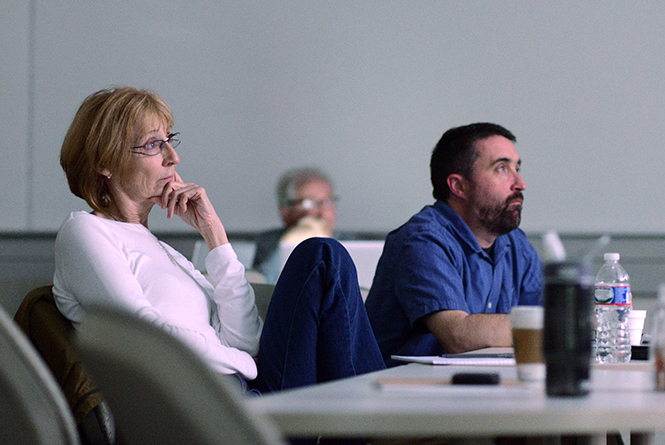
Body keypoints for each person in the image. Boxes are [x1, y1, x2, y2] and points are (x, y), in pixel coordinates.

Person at [53, 87, 384, 399]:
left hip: (244, 387)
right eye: (153, 145)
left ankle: (374, 414)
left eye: (170, 141)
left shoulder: (162, 249)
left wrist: (213, 233)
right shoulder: (85, 232)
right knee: (321, 255)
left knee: (322, 254)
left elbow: (245, 339)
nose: (173, 158)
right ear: (104, 163)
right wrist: (241, 362)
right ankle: (379, 419)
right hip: (209, 402)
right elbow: (146, 339)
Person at [365, 123, 543, 367]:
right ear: (459, 186)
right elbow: (458, 336)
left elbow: (549, 320)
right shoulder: (423, 240)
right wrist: (561, 322)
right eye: (502, 168)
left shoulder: (515, 244)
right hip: (402, 395)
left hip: (478, 389)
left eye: (517, 168)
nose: (520, 183)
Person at [252, 167, 349, 284]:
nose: (322, 213)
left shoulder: (351, 243)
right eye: (309, 203)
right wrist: (291, 241)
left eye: (327, 202)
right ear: (286, 212)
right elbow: (265, 286)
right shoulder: (270, 242)